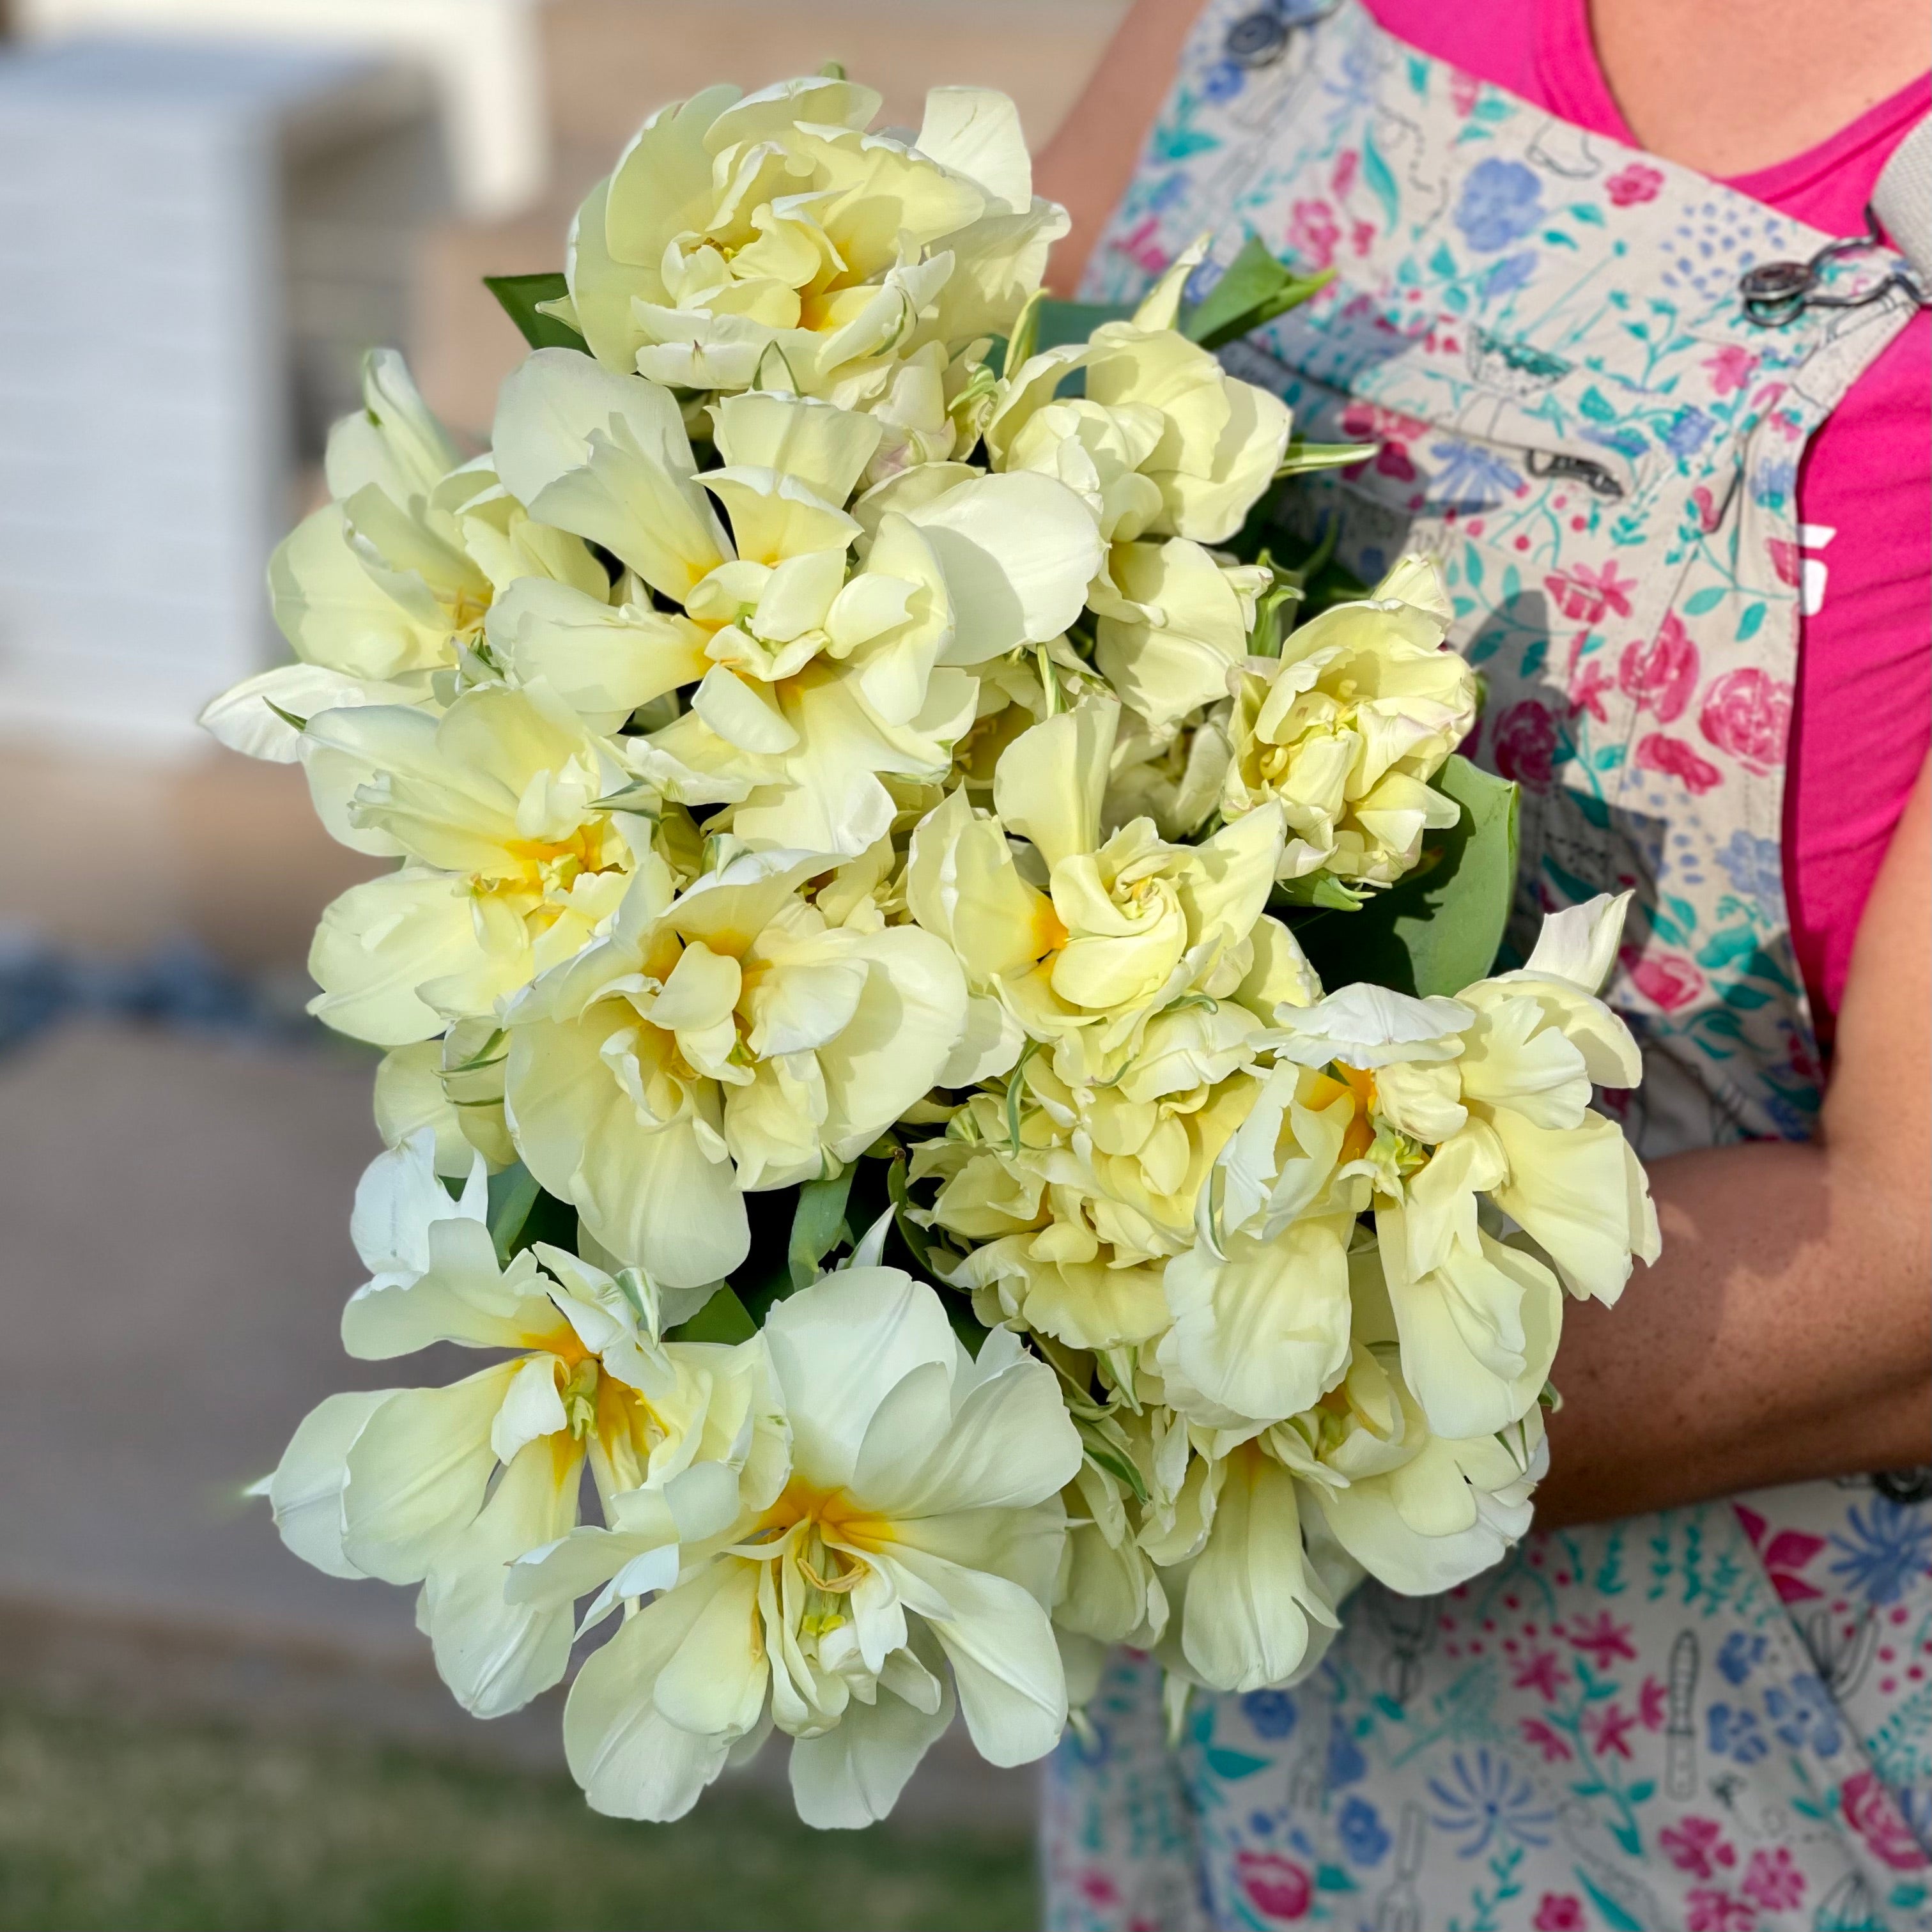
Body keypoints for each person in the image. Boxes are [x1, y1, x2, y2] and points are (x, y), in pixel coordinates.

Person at [1033, 2, 1932, 1924]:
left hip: (1763, 1792)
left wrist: (1051, 1359)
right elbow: (925, 490)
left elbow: (1913, 1276)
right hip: (1210, 1736)